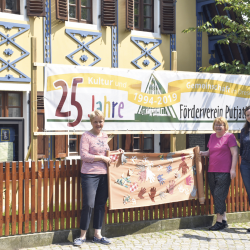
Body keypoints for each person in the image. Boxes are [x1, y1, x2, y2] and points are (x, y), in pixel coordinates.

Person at [74, 110, 122, 246]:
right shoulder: (86, 136)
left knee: (101, 205)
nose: (98, 124)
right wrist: (101, 158)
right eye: (96, 121)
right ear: (91, 122)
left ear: (103, 122)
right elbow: (84, 155)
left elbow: (107, 154)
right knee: (88, 204)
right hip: (89, 174)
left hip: (105, 174)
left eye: (100, 121)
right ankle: (82, 236)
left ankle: (97, 234)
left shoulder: (105, 136)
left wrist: (117, 153)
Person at [200, 117, 238, 231]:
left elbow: (235, 153)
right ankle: (224, 220)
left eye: (220, 124)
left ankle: (219, 222)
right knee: (217, 195)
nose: (218, 126)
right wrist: (202, 153)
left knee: (218, 195)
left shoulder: (230, 137)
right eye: (216, 124)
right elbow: (210, 152)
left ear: (225, 126)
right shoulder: (212, 137)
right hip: (212, 171)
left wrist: (233, 169)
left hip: (224, 171)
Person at [240, 106, 250, 232]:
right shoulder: (244, 131)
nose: (249, 117)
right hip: (246, 165)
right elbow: (241, 148)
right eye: (247, 115)